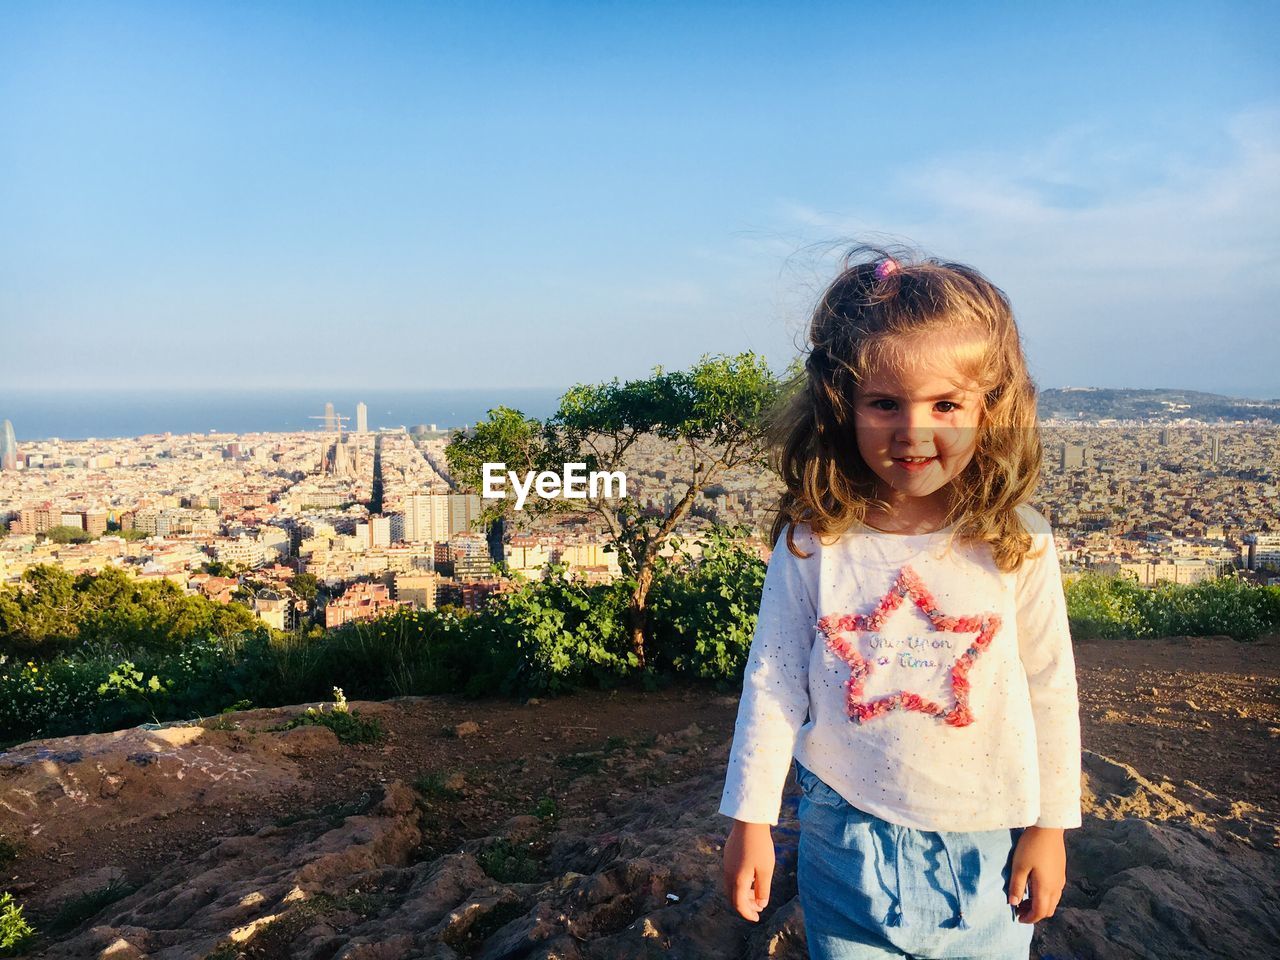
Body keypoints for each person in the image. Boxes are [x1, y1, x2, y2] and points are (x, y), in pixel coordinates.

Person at [719, 247, 1081, 960]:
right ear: (841, 405)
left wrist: (1050, 826)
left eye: (946, 404)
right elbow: (774, 681)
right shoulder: (815, 540)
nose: (914, 431)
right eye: (884, 403)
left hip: (987, 845)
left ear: (990, 409)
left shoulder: (1016, 543)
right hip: (842, 834)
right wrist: (750, 820)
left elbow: (1050, 687)